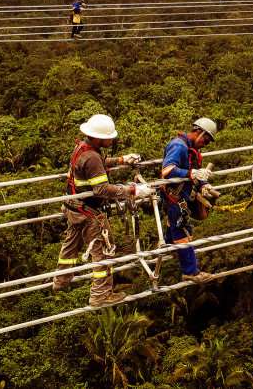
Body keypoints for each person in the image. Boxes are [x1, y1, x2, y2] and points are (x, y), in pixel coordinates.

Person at [53, 114, 153, 306]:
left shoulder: (83, 148)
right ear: (98, 138)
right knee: (103, 251)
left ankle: (61, 280)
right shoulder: (91, 156)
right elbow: (102, 189)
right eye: (109, 137)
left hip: (73, 207)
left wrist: (122, 160)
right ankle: (100, 295)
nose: (112, 139)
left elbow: (98, 163)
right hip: (89, 211)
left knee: (71, 244)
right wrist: (134, 190)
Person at [159, 117, 221, 284]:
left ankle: (170, 246)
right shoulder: (179, 146)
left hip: (182, 194)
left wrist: (204, 184)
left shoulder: (191, 149)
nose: (206, 143)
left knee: (176, 226)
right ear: (199, 132)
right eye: (206, 139)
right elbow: (168, 171)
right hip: (174, 196)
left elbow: (194, 171)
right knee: (182, 233)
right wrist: (191, 174)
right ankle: (190, 272)